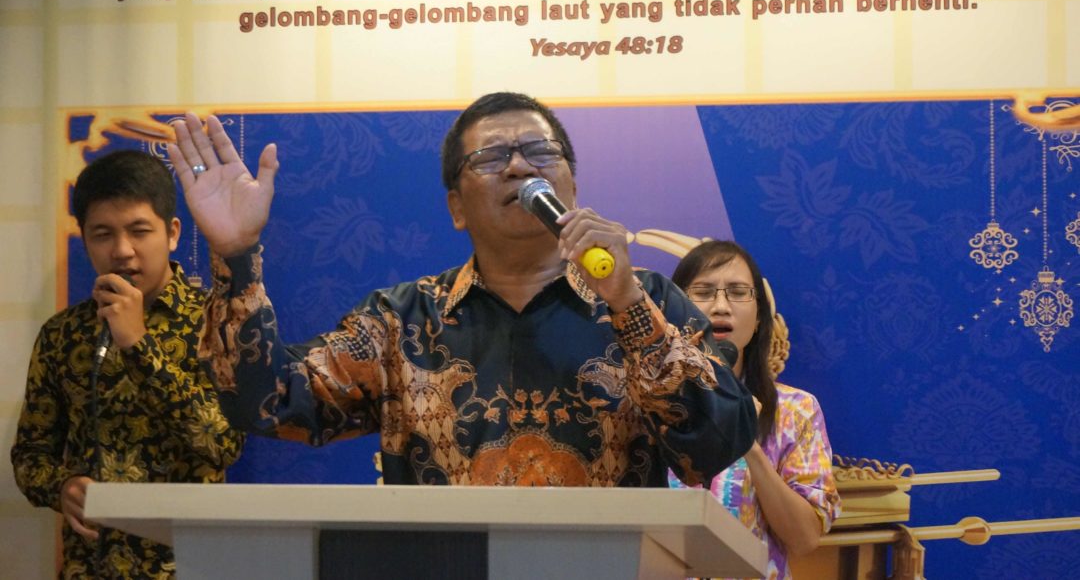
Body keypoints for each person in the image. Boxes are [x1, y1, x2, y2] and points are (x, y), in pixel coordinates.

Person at [167, 91, 756, 487]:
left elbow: (715, 445)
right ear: (456, 207)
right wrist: (236, 255)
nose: (521, 168)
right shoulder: (400, 321)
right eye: (493, 157)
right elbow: (265, 402)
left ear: (572, 186)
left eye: (541, 153)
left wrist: (626, 304)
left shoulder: (649, 300)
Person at [10, 150, 244, 579]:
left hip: (189, 565)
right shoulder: (62, 334)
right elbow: (30, 455)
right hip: (89, 567)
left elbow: (224, 444)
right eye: (102, 234)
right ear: (85, 240)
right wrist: (61, 487)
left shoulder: (215, 322)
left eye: (139, 231)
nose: (121, 251)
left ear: (172, 233)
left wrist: (138, 344)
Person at [668, 240, 840, 579]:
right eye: (703, 292)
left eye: (737, 292)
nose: (720, 307)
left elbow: (805, 539)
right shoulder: (641, 405)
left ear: (759, 316)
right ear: (675, 310)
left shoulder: (796, 410)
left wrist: (750, 445)